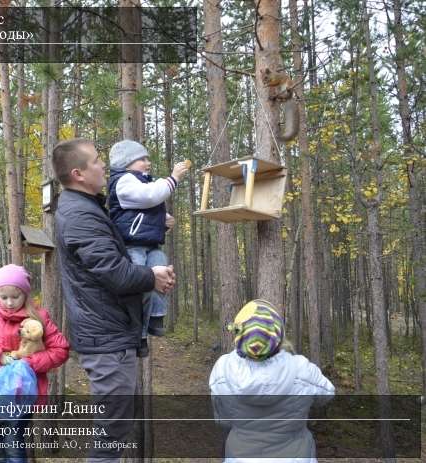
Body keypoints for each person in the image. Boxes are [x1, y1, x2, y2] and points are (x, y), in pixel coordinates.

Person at [52, 137, 176, 462]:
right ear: (78, 173)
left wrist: (153, 224)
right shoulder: (80, 215)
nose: (103, 165)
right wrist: (153, 277)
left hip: (110, 333)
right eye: (96, 161)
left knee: (115, 429)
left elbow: (114, 249)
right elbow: (115, 272)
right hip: (106, 339)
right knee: (111, 434)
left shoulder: (89, 207)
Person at [209, 299, 335, 462]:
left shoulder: (222, 370)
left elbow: (222, 420)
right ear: (279, 334)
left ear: (240, 336)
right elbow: (328, 393)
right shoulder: (301, 369)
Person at [0, 263, 70, 463]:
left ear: (25, 294)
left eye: (15, 297)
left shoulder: (38, 316)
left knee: (13, 436)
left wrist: (29, 362)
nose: (9, 303)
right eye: (3, 297)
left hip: (23, 392)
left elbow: (61, 350)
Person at [107, 139, 190, 347]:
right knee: (138, 288)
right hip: (132, 245)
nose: (148, 163)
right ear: (127, 162)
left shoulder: (139, 181)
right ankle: (138, 333)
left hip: (150, 244)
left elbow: (146, 211)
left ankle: (156, 316)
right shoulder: (123, 180)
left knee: (163, 271)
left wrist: (164, 221)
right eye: (142, 159)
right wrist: (173, 178)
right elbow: (150, 196)